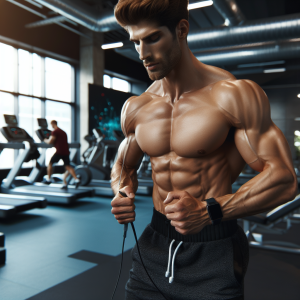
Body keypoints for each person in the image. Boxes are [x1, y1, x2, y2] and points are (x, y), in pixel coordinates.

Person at [110, 1, 298, 299]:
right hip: (152, 244)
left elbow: (284, 178)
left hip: (215, 249)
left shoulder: (232, 96)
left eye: (153, 38)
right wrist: (121, 191)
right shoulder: (137, 107)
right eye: (136, 42)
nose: (143, 54)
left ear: (181, 30)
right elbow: (124, 165)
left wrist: (211, 211)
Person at [44, 120, 80, 189]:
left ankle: (48, 179)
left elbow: (51, 141)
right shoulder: (63, 132)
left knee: (50, 163)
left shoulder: (55, 132)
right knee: (68, 167)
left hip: (59, 152)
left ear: (52, 124)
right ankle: (76, 179)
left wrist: (45, 140)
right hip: (66, 152)